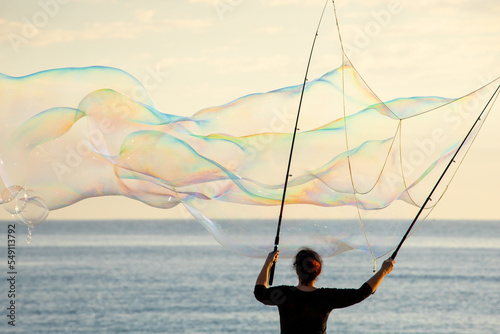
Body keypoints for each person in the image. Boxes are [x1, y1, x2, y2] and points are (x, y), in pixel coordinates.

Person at [254, 248, 395, 334]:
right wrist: (383, 271)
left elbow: (259, 292)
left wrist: (269, 262)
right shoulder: (325, 297)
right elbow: (360, 293)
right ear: (319, 271)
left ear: (297, 270)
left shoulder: (284, 295)